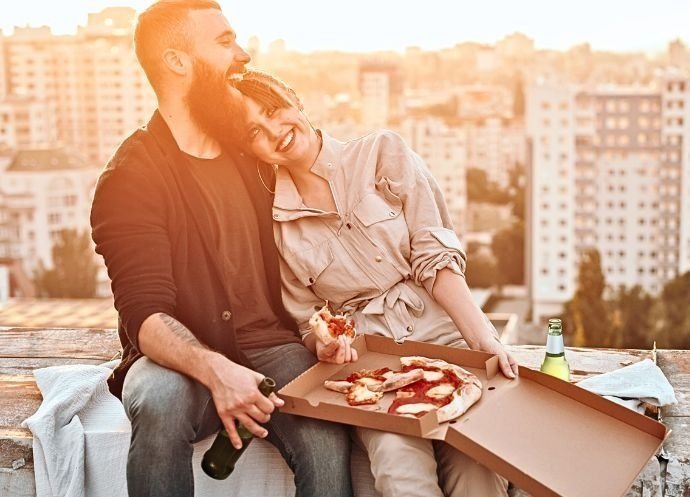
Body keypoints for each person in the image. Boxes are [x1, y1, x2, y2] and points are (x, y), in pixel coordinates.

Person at [89, 4, 353, 497]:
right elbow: (144, 316)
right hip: (178, 358)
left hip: (275, 348)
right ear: (178, 61)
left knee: (325, 430)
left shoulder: (250, 149)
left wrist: (319, 331)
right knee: (158, 400)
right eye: (225, 41)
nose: (244, 54)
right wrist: (218, 371)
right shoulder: (131, 176)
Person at [225, 70, 517, 497]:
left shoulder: (381, 152)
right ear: (249, 149)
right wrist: (322, 345)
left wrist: (483, 339)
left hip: (445, 339)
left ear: (293, 98)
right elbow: (308, 321)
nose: (275, 131)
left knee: (478, 469)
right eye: (255, 131)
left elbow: (436, 257)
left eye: (273, 110)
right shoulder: (279, 226)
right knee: (400, 474)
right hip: (372, 365)